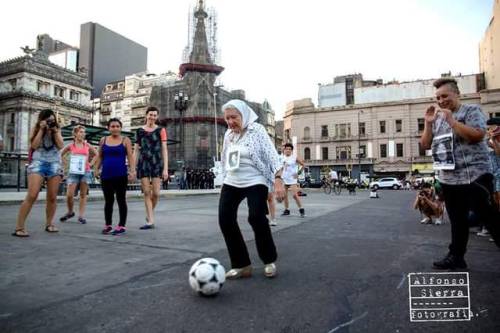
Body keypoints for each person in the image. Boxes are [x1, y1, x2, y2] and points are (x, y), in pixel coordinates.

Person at [420, 78, 500, 269]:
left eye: (445, 96)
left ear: (457, 94)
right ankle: (456, 257)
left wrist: (452, 121)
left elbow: (477, 135)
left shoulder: (471, 111)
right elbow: (425, 144)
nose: (441, 100)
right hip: (449, 178)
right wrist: (429, 123)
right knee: (457, 221)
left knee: (489, 217)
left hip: (475, 175)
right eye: (438, 97)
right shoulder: (437, 119)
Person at [218, 99, 285, 279]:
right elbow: (225, 159)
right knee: (225, 218)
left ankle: (269, 260)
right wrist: (223, 180)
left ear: (244, 115)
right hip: (232, 180)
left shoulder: (258, 131)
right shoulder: (228, 135)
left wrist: (278, 180)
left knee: (256, 217)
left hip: (256, 179)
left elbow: (272, 156)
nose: (230, 122)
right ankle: (241, 265)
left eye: (234, 117)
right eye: (227, 118)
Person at [13, 109, 64, 237]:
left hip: (54, 163)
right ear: (42, 120)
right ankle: (19, 227)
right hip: (38, 162)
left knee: (52, 197)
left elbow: (60, 145)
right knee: (32, 194)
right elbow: (34, 146)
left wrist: (55, 132)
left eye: (52, 120)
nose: (50, 122)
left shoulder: (56, 129)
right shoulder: (35, 128)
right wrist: (41, 130)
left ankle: (49, 224)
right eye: (48, 120)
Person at [94, 118, 135, 236]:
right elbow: (100, 156)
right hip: (106, 175)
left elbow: (131, 157)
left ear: (121, 128)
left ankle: (121, 226)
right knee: (108, 201)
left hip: (121, 175)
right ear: (108, 128)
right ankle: (108, 225)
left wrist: (132, 171)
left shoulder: (126, 140)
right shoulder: (103, 140)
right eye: (113, 126)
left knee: (121, 200)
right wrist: (96, 169)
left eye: (117, 126)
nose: (115, 128)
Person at [134, 106, 169, 230]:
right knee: (147, 192)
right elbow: (136, 150)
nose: (152, 117)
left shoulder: (161, 130)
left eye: (155, 115)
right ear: (146, 115)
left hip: (156, 162)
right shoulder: (139, 131)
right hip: (143, 163)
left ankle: (149, 213)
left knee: (156, 193)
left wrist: (165, 169)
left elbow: (164, 149)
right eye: (150, 114)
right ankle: (151, 220)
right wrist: (132, 167)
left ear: (157, 117)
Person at [59, 125, 98, 224]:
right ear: (75, 134)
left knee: (83, 195)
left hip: (85, 172)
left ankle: (81, 216)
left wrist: (91, 164)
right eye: (81, 132)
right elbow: (60, 154)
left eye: (84, 132)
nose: (83, 134)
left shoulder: (87, 145)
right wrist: (64, 165)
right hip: (73, 172)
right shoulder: (70, 146)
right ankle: (70, 212)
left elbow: (97, 154)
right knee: (69, 195)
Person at [281, 143, 306, 217]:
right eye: (286, 149)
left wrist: (298, 173)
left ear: (291, 150)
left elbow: (303, 165)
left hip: (292, 179)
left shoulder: (294, 158)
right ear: (284, 150)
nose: (288, 150)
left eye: (289, 149)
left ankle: (301, 209)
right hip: (284, 178)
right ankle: (287, 210)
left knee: (295, 195)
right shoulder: (282, 157)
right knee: (284, 195)